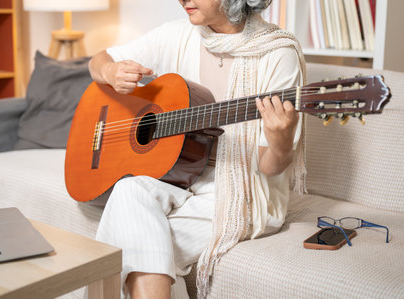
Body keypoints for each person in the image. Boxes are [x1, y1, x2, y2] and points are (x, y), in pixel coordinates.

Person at [89, 0, 306, 298]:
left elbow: (270, 167)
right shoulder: (177, 34)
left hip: (242, 190)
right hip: (180, 175)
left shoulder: (278, 53)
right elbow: (97, 60)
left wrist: (281, 141)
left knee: (132, 245)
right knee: (128, 190)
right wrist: (110, 71)